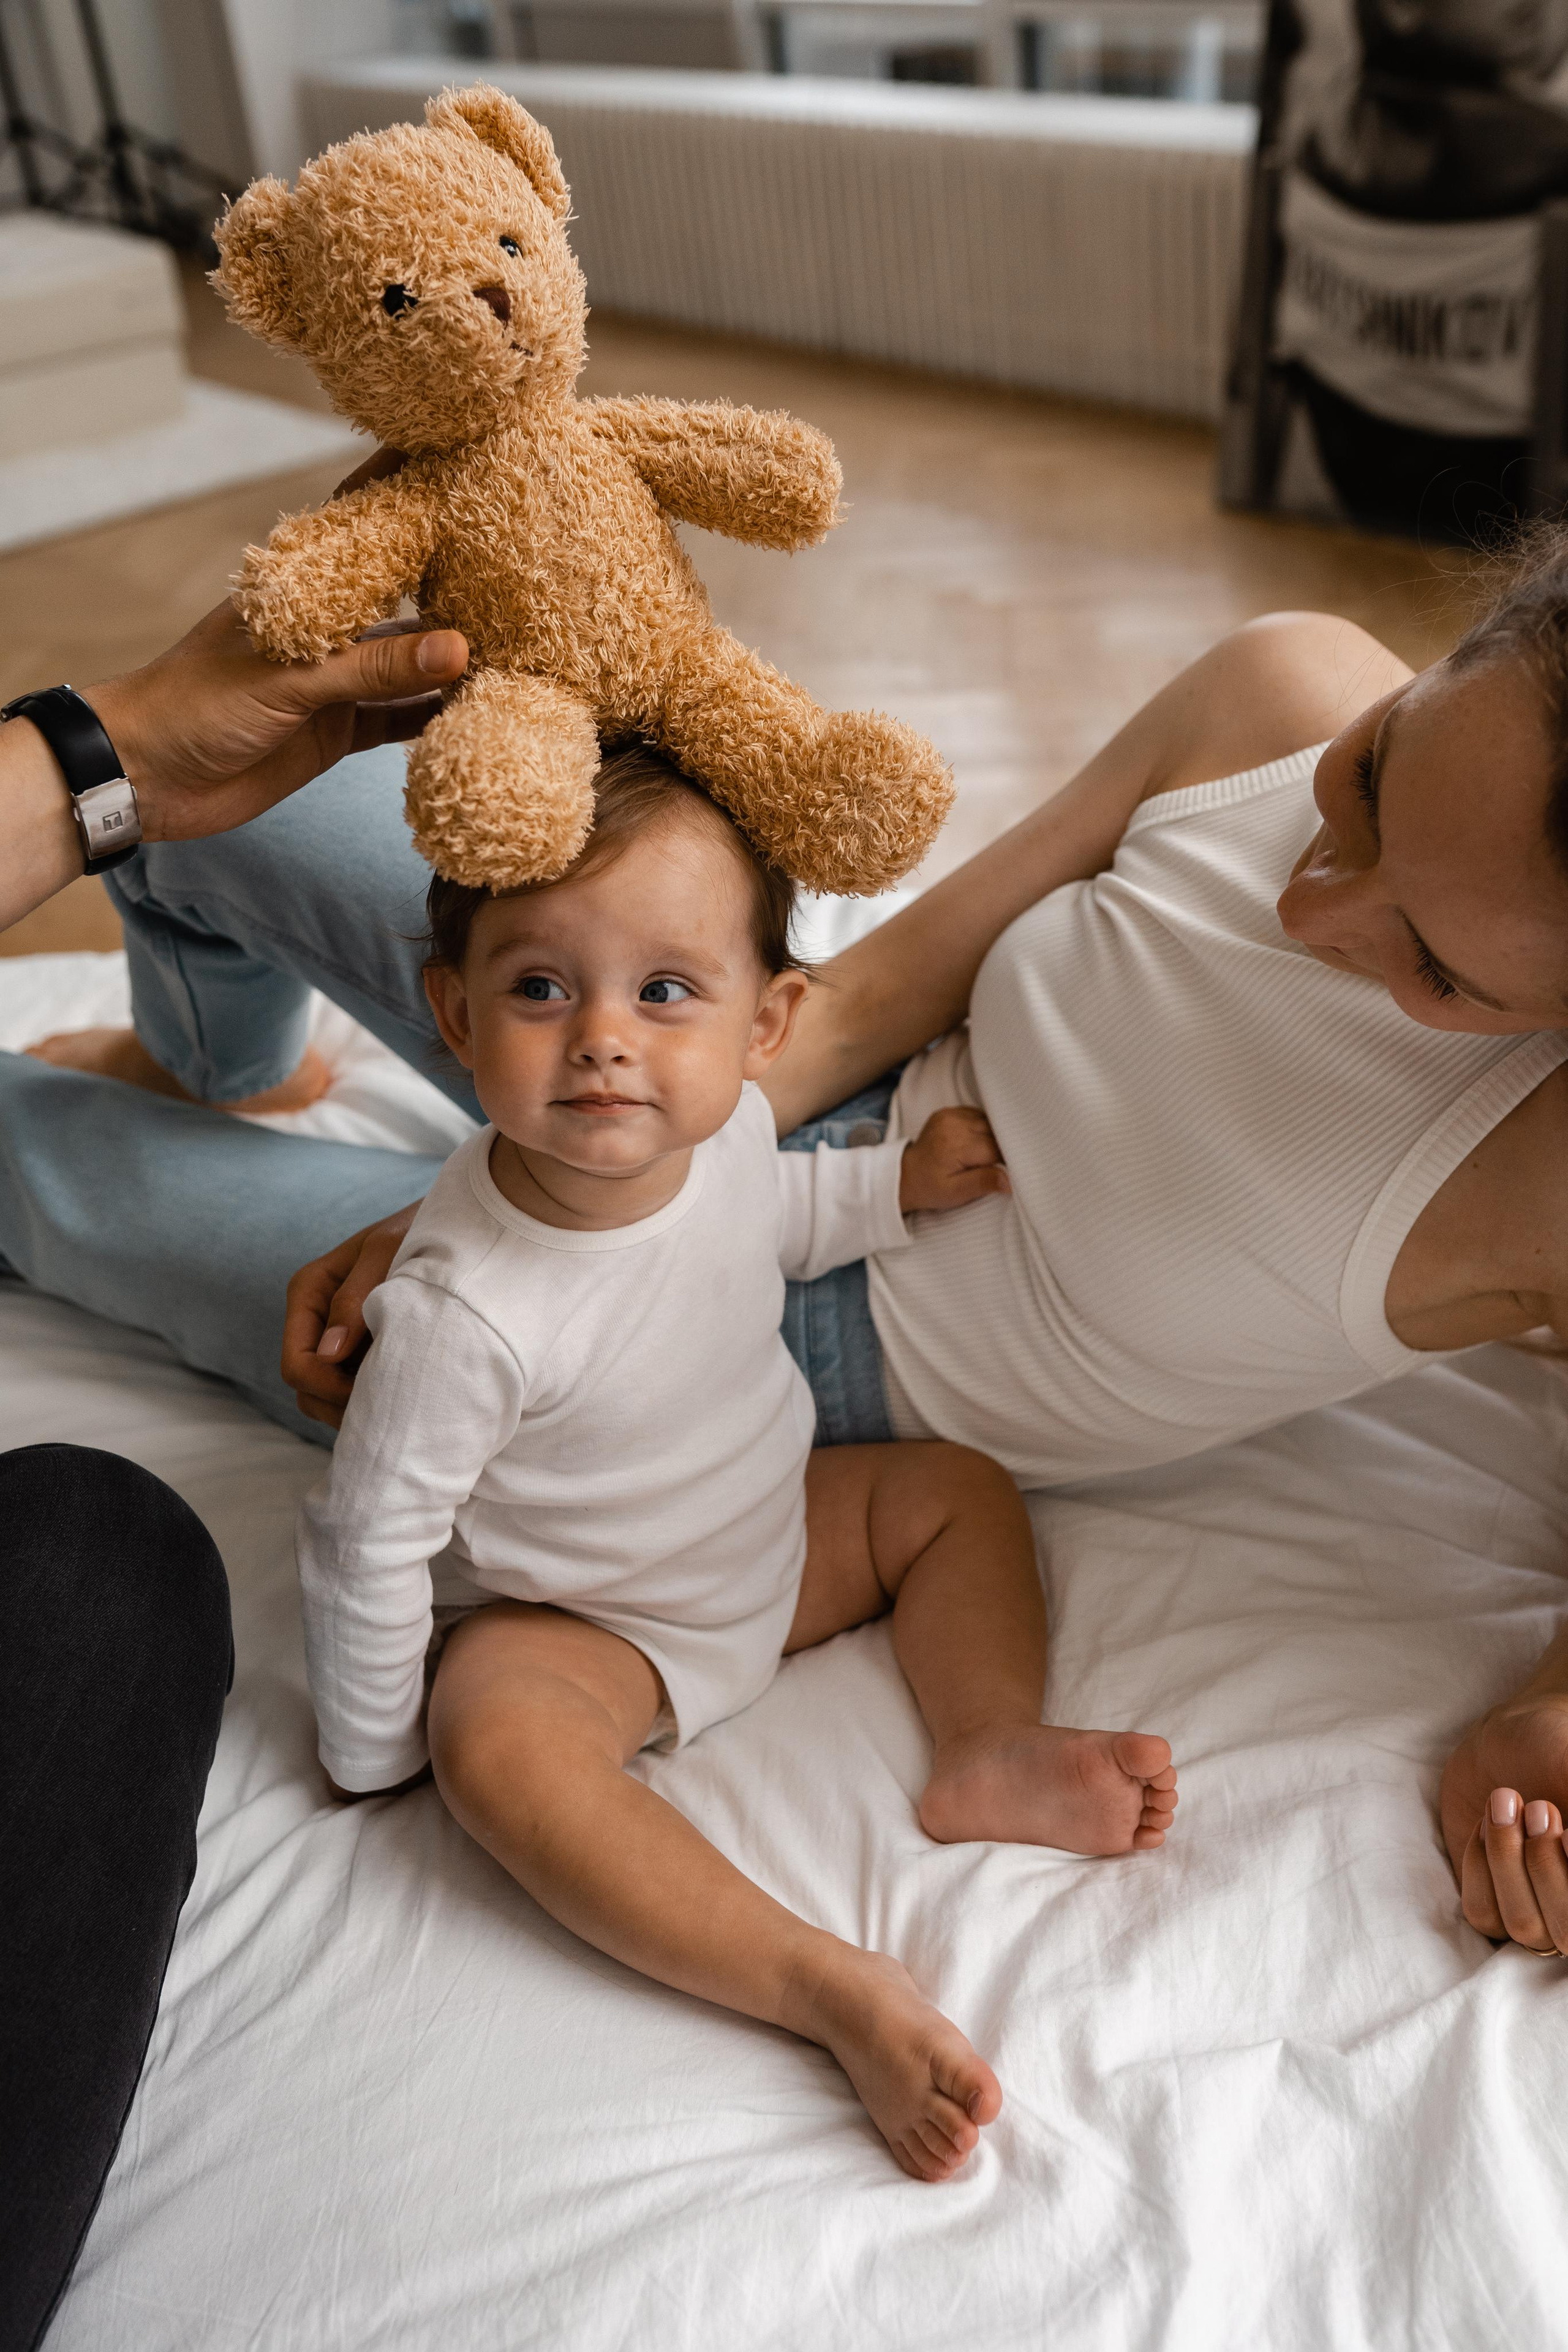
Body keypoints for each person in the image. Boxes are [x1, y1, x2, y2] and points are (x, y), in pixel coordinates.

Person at [7, 542, 1568, 1966]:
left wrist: (1536, 1730)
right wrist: (535, 1205)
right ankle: (228, 1065)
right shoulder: (1279, 689)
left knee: (45, 1175)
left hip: (730, 1409)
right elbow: (880, 986)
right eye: (1366, 786)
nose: (1314, 905)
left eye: (1430, 966)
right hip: (770, 1109)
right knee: (196, 800)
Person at [299, 743, 1177, 2185]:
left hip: (772, 1543)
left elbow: (766, 1215)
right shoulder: (464, 1310)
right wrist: (364, 1753)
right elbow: (368, 1543)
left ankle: (984, 1741)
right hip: (589, 1626)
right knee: (493, 1743)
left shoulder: (722, 1138)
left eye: (662, 992)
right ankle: (822, 1985)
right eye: (538, 989)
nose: (601, 1038)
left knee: (950, 1488)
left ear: (765, 1023)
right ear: (453, 1015)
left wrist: (886, 1189)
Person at [0, 567, 472, 2350]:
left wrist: (96, 755)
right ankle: (216, 1074)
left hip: (740, 1165)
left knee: (99, 1542)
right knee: (105, 1550)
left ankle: (200, 1075)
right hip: (785, 1103)